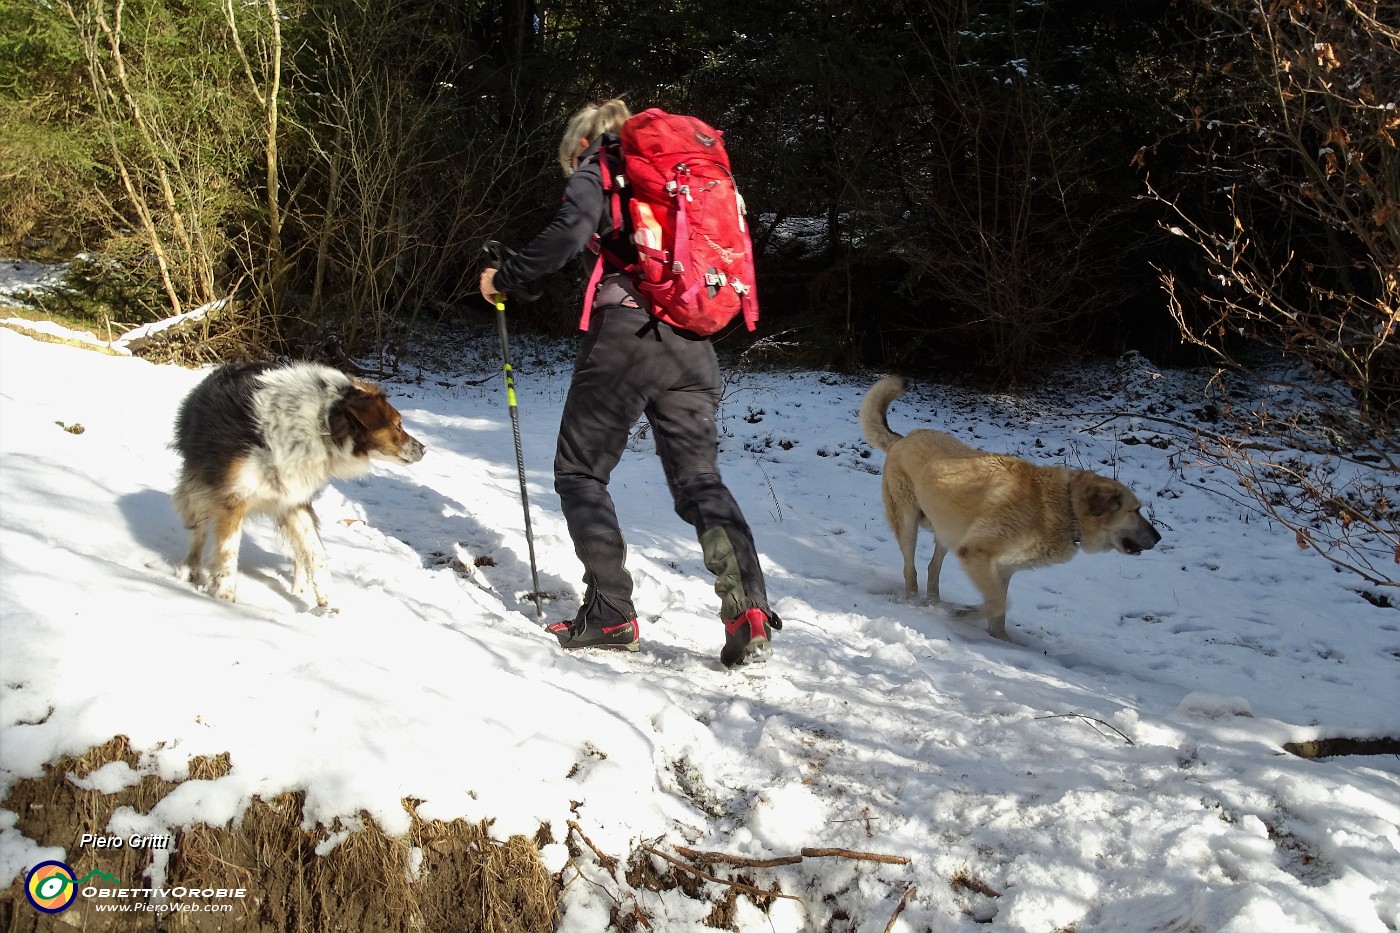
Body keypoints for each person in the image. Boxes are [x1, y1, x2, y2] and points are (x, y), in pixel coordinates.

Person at [478, 99, 780, 668]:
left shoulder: (603, 167)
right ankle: (748, 611)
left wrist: (507, 275)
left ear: (581, 145)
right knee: (699, 479)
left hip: (627, 337)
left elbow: (569, 233)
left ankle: (611, 612)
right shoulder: (676, 181)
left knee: (579, 470)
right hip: (693, 345)